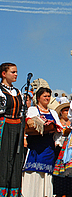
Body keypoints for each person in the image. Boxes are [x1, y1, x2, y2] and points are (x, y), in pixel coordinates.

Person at [22, 87, 62, 197]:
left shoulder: (53, 113)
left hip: (48, 146)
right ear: (38, 98)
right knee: (33, 172)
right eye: (45, 96)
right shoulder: (33, 110)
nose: (47, 98)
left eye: (49, 96)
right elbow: (28, 125)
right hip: (35, 146)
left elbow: (59, 130)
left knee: (46, 174)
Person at [0, 63, 24, 196]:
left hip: (17, 126)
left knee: (16, 159)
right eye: (13, 72)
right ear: (4, 74)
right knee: (4, 159)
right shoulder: (0, 90)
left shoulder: (17, 92)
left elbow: (21, 112)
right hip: (4, 126)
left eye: (16, 72)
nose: (16, 74)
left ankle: (14, 192)